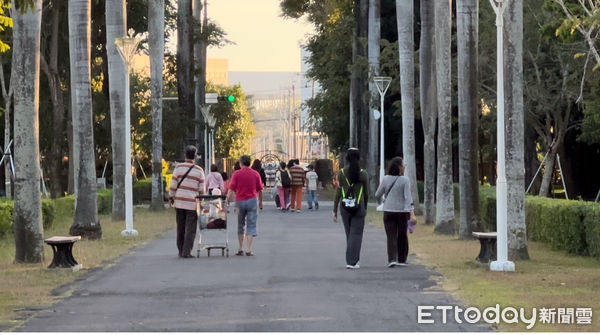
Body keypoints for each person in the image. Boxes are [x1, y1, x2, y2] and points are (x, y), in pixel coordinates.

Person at [375, 157, 416, 267]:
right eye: (403, 164)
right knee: (402, 235)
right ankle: (402, 259)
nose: (404, 166)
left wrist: (381, 203)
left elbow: (377, 194)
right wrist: (412, 212)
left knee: (391, 235)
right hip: (402, 212)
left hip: (388, 211)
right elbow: (408, 198)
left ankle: (391, 259)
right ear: (399, 167)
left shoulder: (385, 179)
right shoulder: (405, 180)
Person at [333, 148, 369, 269]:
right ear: (359, 158)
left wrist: (335, 210)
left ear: (346, 158)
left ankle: (351, 259)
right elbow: (366, 193)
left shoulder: (341, 173)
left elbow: (338, 192)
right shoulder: (363, 173)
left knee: (349, 233)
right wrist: (365, 206)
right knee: (356, 234)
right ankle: (352, 261)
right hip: (359, 206)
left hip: (345, 207)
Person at [169, 145, 205, 258]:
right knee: (190, 228)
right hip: (192, 203)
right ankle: (187, 251)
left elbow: (173, 184)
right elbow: (201, 190)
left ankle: (180, 250)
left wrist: (171, 196)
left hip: (179, 202)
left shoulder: (178, 167)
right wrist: (201, 202)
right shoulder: (199, 170)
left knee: (180, 227)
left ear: (185, 155)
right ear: (195, 157)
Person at [228, 155, 263, 256]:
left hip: (239, 202)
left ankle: (240, 248)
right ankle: (248, 249)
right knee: (251, 224)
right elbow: (259, 189)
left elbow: (231, 188)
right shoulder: (255, 173)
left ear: (241, 163)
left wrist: (227, 199)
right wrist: (260, 201)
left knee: (240, 224)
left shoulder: (236, 174)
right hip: (252, 201)